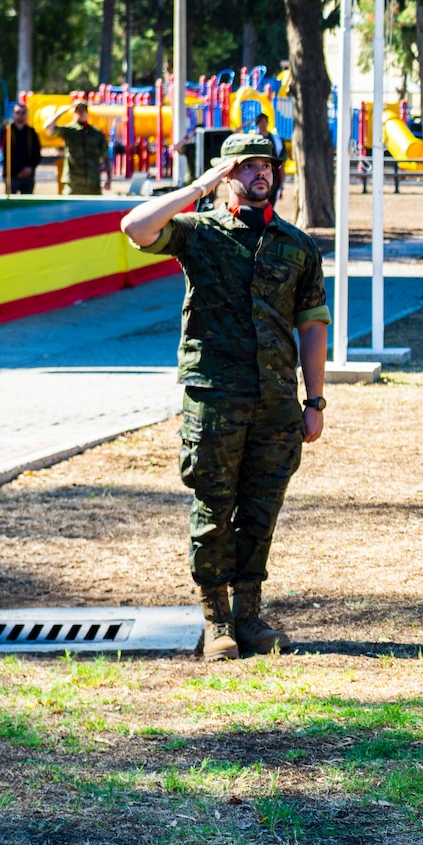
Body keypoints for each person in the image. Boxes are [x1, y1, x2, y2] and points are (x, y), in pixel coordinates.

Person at [118, 132, 329, 662]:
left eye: (268, 165)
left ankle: (250, 616)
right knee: (214, 508)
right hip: (215, 396)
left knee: (261, 510)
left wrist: (316, 400)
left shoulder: (297, 245)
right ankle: (216, 620)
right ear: (226, 175)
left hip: (277, 400)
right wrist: (199, 186)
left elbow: (312, 325)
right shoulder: (197, 233)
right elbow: (134, 228)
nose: (262, 173)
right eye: (248, 165)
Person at [46, 99, 109, 195]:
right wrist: (60, 113)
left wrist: (109, 179)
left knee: (95, 209)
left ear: (87, 113)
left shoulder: (96, 133)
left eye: (83, 111)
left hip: (92, 182)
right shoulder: (69, 130)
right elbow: (48, 128)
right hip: (74, 182)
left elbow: (106, 156)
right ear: (74, 113)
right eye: (78, 111)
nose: (81, 113)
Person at [5, 101, 41, 194]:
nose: (20, 115)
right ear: (13, 114)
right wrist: (18, 171)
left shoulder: (31, 132)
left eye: (23, 112)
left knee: (27, 205)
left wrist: (30, 169)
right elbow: (5, 154)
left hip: (28, 175)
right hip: (12, 175)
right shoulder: (7, 131)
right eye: (17, 112)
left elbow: (36, 153)